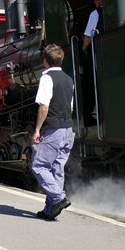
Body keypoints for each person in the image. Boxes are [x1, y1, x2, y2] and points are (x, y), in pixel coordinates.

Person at [31, 44, 75, 221]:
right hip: (67, 129)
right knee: (57, 168)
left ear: (45, 61)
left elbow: (44, 106)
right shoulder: (68, 79)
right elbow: (70, 108)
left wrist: (37, 129)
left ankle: (58, 198)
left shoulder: (47, 78)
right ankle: (50, 210)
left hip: (53, 129)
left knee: (39, 165)